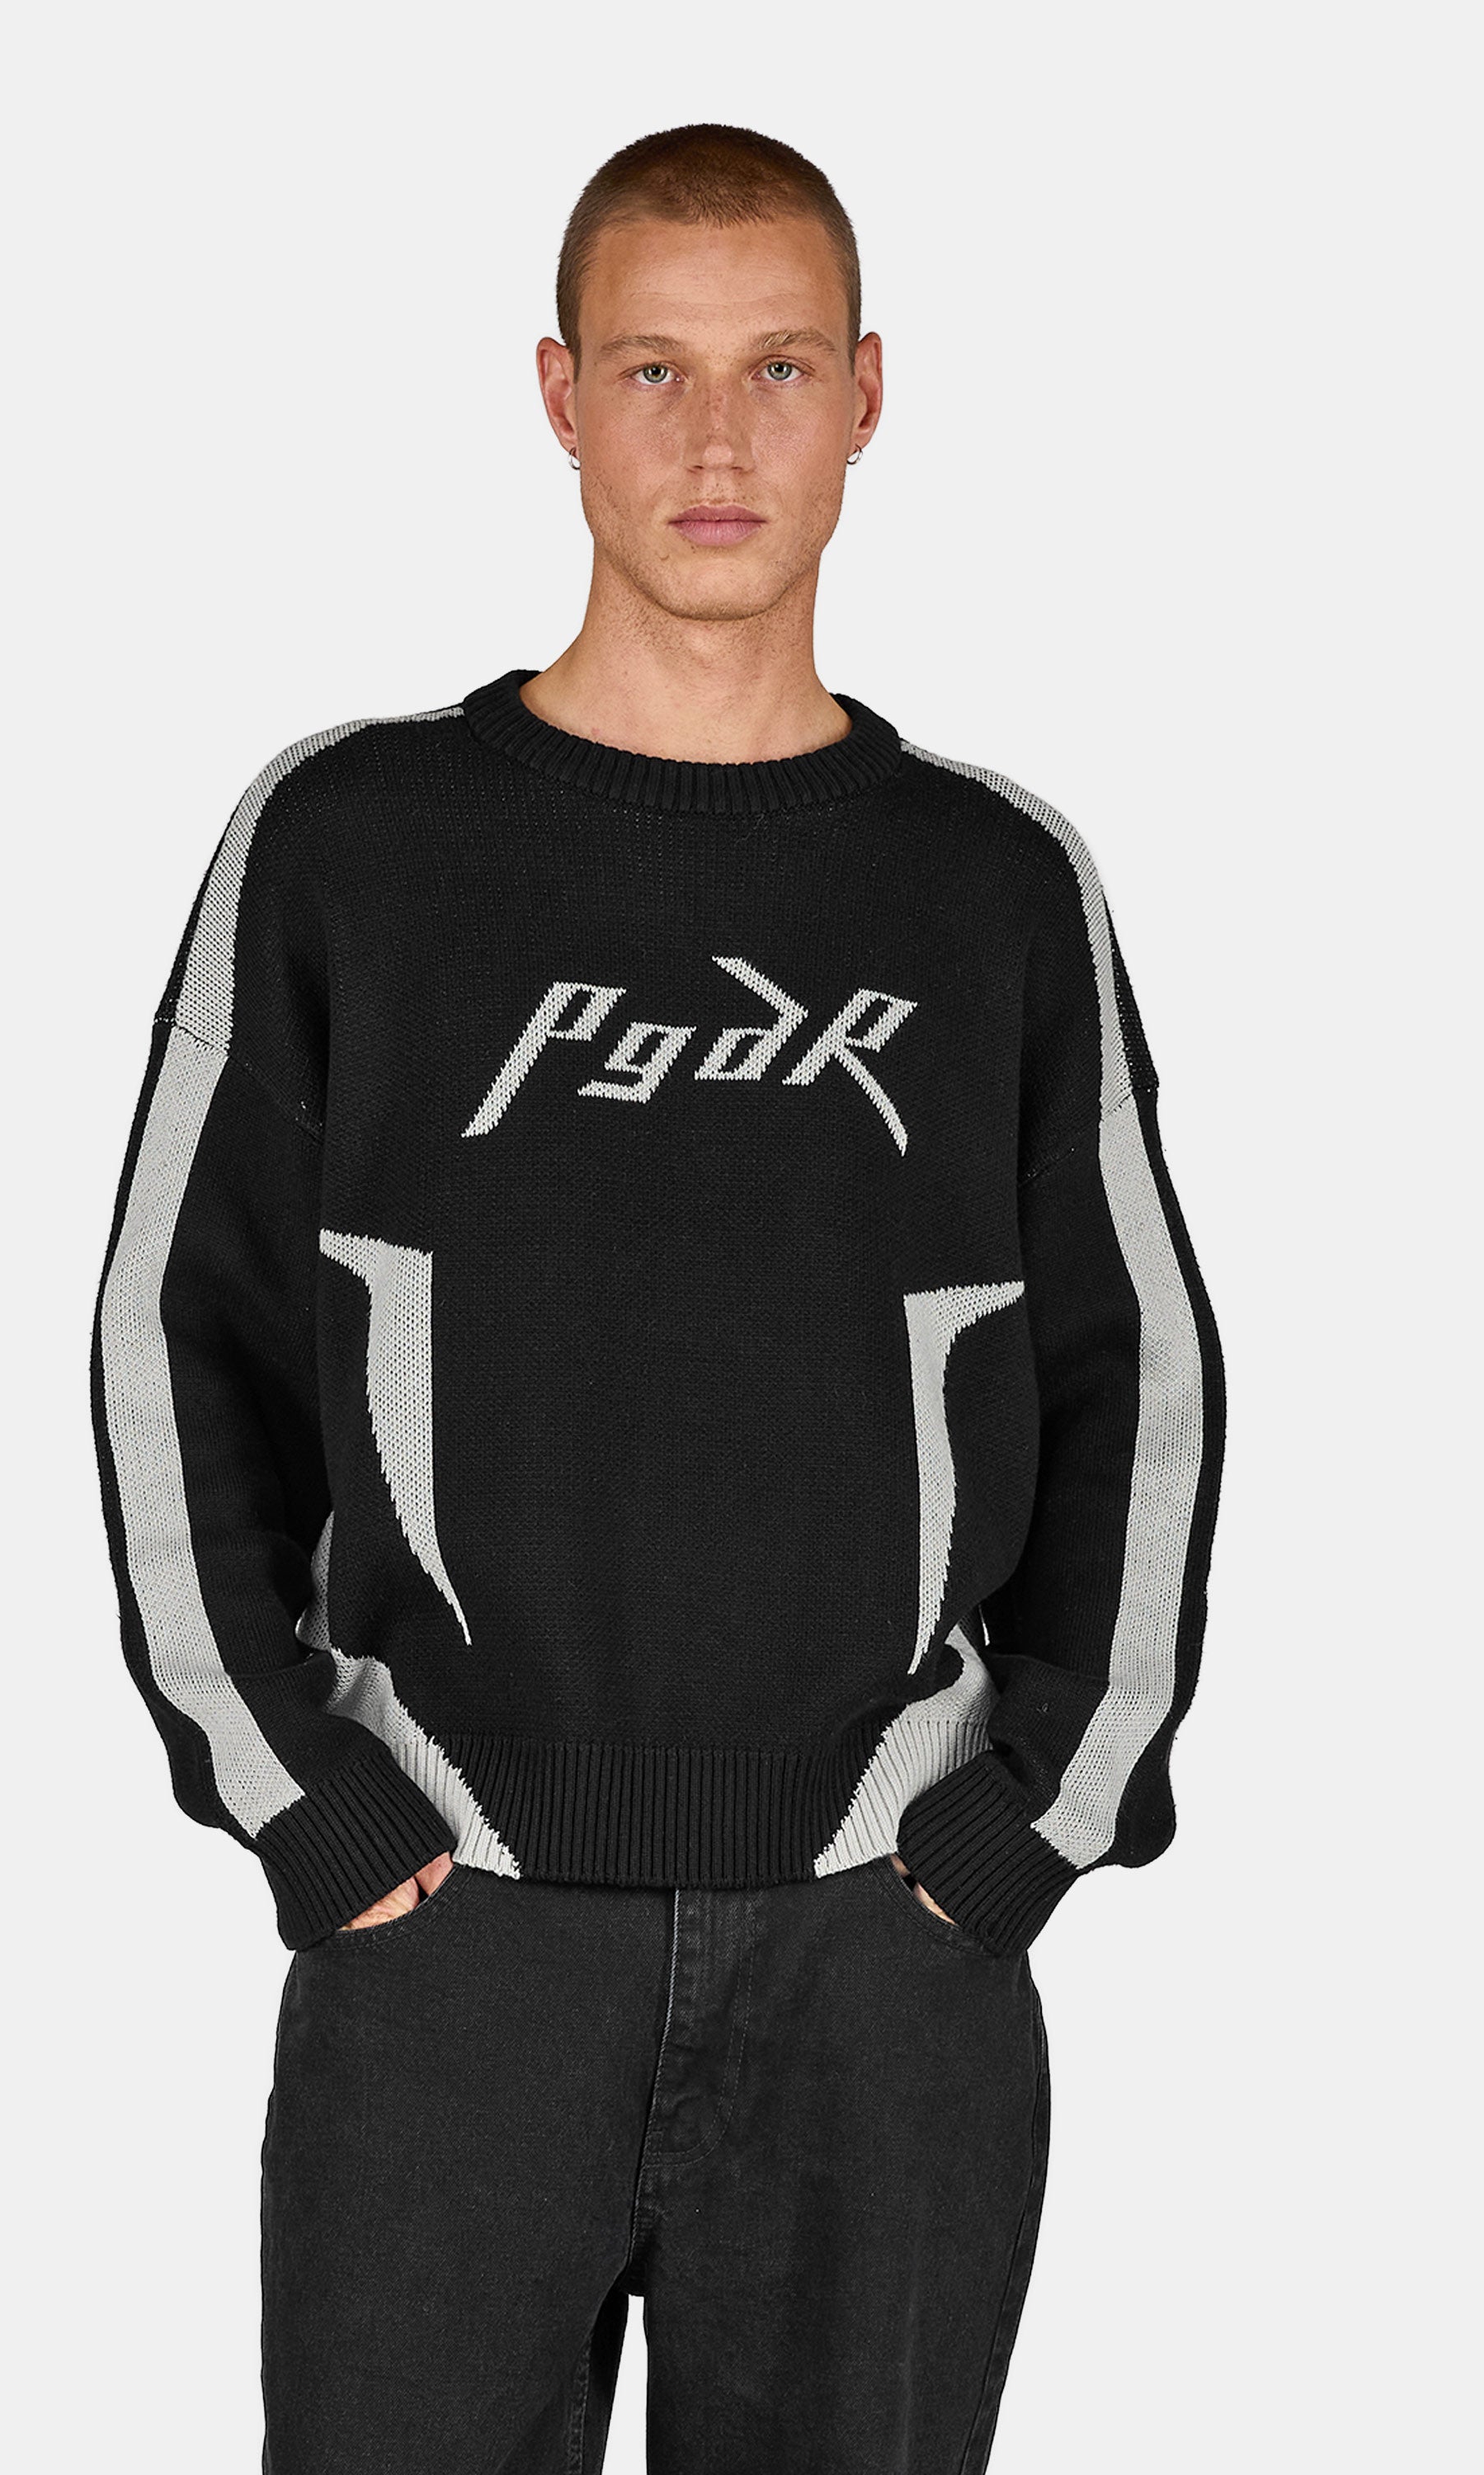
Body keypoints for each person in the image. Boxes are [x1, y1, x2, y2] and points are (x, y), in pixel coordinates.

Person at [89, 122, 1227, 2475]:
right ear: (558, 394)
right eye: (655, 370)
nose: (720, 441)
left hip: (883, 1961)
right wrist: (300, 1803)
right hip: (449, 1951)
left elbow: (1142, 1376)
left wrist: (1029, 1829)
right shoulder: (351, 844)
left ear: (869, 393)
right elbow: (173, 1341)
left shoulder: (993, 888)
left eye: (780, 367)